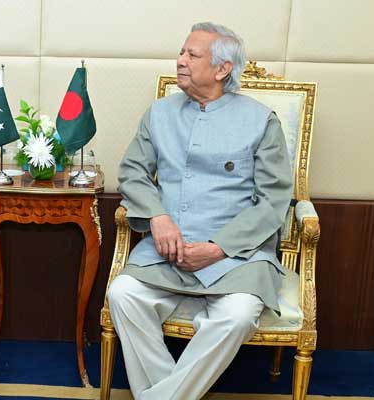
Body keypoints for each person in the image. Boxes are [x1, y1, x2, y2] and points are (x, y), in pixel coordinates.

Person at [107, 22, 292, 400]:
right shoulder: (159, 113)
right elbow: (132, 173)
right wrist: (157, 218)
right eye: (181, 52)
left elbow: (274, 200)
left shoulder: (261, 120)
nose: (180, 61)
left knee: (238, 316)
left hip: (237, 256)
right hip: (167, 251)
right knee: (123, 295)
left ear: (222, 69)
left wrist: (220, 247)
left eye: (192, 55)